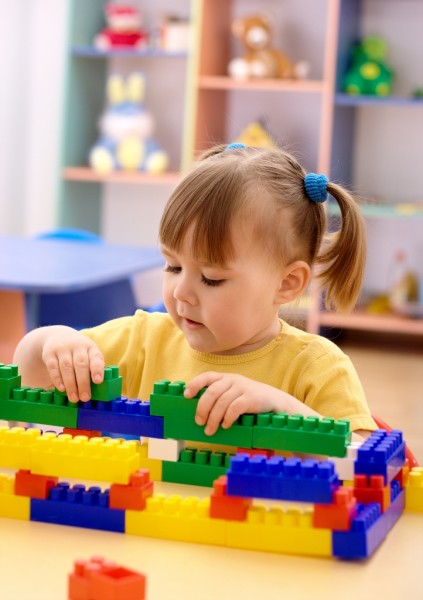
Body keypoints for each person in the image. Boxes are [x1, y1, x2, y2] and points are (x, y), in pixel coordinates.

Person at [13, 143, 377, 441]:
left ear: (287, 284)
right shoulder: (144, 340)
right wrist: (52, 343)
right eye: (173, 266)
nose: (181, 292)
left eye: (211, 278)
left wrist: (283, 409)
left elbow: (369, 468)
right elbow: (27, 379)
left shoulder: (316, 367)